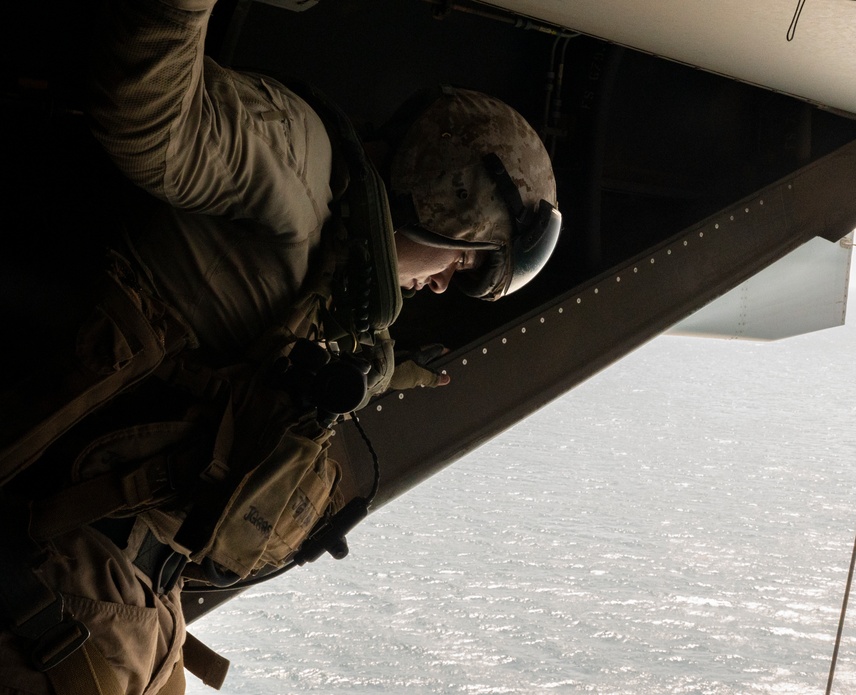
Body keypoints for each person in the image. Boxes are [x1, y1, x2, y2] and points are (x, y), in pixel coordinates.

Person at [0, 0, 560, 691]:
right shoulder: (301, 166)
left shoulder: (342, 280)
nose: (448, 284)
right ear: (442, 194)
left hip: (136, 599)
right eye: (466, 259)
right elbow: (149, 111)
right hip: (54, 581)